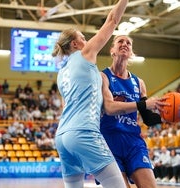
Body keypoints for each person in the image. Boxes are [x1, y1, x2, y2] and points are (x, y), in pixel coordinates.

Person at [51, 0, 129, 187]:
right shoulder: (85, 53)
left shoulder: (62, 73)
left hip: (62, 136)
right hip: (83, 131)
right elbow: (112, 20)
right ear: (76, 44)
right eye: (84, 38)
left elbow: (69, 105)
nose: (87, 41)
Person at [100, 35, 167, 188]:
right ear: (112, 50)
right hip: (109, 141)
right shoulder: (103, 77)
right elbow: (109, 108)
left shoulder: (139, 83)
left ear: (131, 53)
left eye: (128, 43)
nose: (125, 44)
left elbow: (148, 118)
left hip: (133, 142)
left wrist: (166, 116)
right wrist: (143, 104)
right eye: (120, 41)